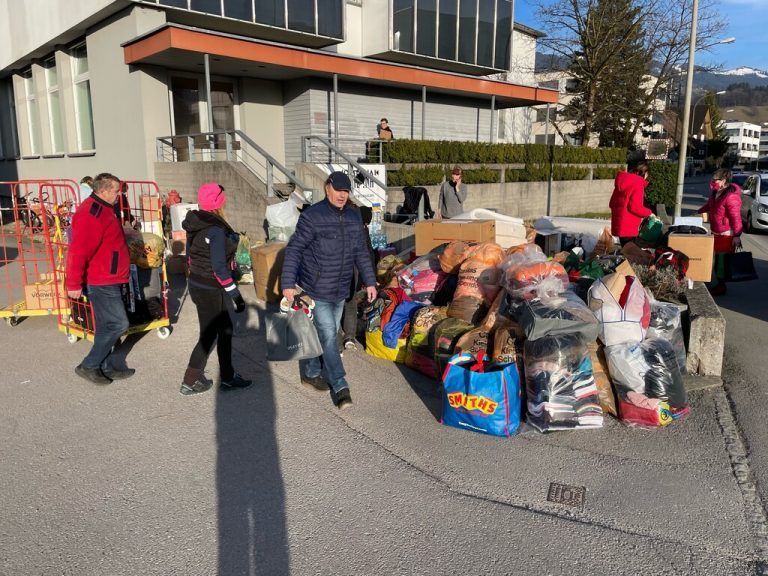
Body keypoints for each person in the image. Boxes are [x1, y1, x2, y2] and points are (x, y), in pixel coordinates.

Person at [281, 171, 377, 409]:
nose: (342, 195)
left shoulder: (354, 217)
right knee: (328, 335)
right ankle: (341, 385)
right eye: (338, 190)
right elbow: (294, 249)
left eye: (346, 191)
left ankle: (311, 372)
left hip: (341, 288)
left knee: (326, 333)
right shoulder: (312, 216)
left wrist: (370, 281)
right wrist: (288, 283)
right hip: (316, 289)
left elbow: (360, 252)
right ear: (327, 188)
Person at [180, 182, 252, 395]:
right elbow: (219, 269)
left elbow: (190, 257)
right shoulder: (216, 230)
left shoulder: (195, 222)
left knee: (225, 329)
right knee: (209, 334)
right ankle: (189, 381)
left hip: (197, 283)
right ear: (219, 203)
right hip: (209, 288)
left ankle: (228, 377)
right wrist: (236, 295)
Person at [66, 173, 133, 384]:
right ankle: (89, 365)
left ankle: (106, 366)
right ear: (103, 191)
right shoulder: (91, 213)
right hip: (101, 280)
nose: (119, 195)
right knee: (118, 324)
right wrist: (73, 283)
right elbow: (78, 251)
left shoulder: (104, 208)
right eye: (116, 191)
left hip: (109, 276)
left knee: (106, 325)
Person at [697, 168, 743, 296]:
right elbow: (709, 206)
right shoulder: (715, 193)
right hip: (715, 232)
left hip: (726, 234)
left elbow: (736, 218)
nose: (712, 182)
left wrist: (737, 235)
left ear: (723, 180)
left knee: (721, 263)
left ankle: (721, 287)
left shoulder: (731, 197)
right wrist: (698, 211)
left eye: (715, 180)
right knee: (715, 261)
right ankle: (717, 284)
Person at [341, 205, 375, 351]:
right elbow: (368, 255)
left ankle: (343, 336)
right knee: (348, 304)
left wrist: (370, 280)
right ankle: (347, 337)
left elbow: (366, 256)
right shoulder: (360, 230)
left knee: (345, 304)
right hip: (348, 272)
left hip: (347, 272)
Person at [609, 161, 653, 246]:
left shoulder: (622, 181)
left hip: (619, 224)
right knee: (631, 252)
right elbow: (635, 207)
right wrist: (649, 213)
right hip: (629, 226)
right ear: (644, 173)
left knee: (625, 250)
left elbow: (612, 203)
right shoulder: (638, 183)